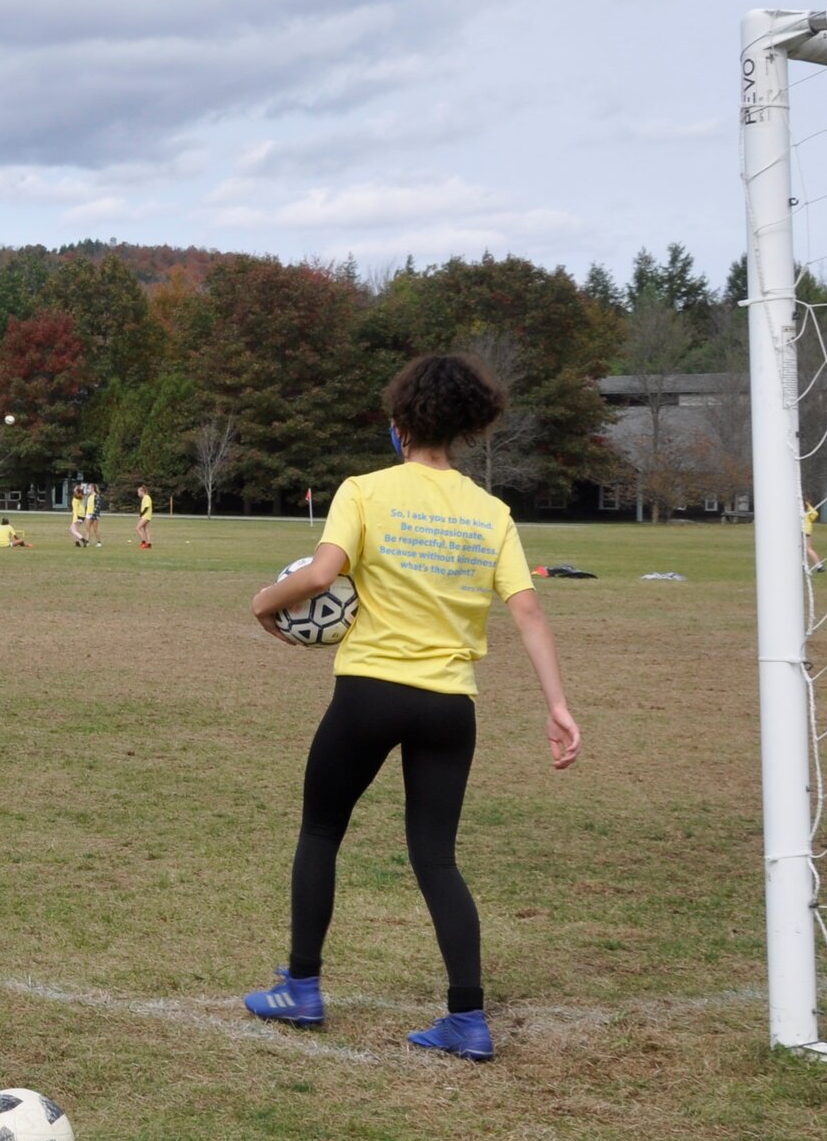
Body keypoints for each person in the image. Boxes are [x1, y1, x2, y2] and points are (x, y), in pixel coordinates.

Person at [243, 353, 582, 1061]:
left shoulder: (365, 491)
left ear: (400, 425)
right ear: (463, 427)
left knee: (321, 832)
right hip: (448, 706)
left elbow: (322, 573)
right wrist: (557, 703)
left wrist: (263, 603)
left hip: (368, 692)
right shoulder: (491, 512)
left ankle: (301, 986)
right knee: (436, 858)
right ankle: (467, 1017)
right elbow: (527, 612)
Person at [804, 500, 826, 573]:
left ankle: (819, 566)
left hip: (803, 530)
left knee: (808, 549)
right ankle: (806, 565)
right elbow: (814, 513)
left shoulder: (800, 506)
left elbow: (815, 513)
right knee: (807, 549)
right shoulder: (807, 506)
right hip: (808, 530)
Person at [68, 483, 87, 547]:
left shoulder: (75, 499)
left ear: (76, 491)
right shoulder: (81, 497)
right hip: (82, 516)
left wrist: (75, 519)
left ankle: (83, 540)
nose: (74, 489)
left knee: (73, 530)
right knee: (73, 529)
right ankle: (77, 543)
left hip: (78, 516)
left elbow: (75, 510)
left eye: (75, 489)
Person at [137, 483, 154, 551]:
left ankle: (143, 542)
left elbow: (146, 507)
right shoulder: (145, 498)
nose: (138, 493)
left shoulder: (146, 497)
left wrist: (141, 515)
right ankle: (149, 544)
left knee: (137, 528)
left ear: (142, 491)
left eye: (138, 492)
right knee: (146, 529)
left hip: (146, 516)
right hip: (146, 516)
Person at [87, 482, 104, 547]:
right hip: (88, 514)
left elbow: (98, 506)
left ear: (93, 488)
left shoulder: (97, 496)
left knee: (95, 529)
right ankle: (87, 542)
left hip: (94, 515)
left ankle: (99, 542)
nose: (88, 489)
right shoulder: (89, 496)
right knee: (87, 529)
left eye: (89, 488)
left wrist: (94, 515)